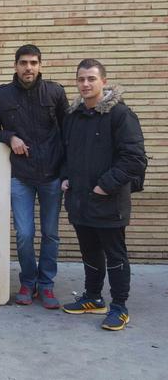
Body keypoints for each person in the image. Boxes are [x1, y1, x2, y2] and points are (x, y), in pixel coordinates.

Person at [61, 59, 146, 331]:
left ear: (104, 81)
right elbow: (67, 152)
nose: (85, 84)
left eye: (91, 79)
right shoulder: (73, 116)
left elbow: (134, 159)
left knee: (115, 255)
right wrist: (66, 177)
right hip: (79, 200)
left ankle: (119, 307)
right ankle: (93, 297)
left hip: (109, 201)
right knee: (89, 251)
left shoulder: (120, 115)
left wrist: (104, 186)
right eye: (81, 79)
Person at [0, 44, 68, 308]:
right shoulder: (2, 95)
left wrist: (66, 172)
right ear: (15, 65)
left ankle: (47, 285)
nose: (28, 68)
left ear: (40, 65)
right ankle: (28, 282)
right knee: (24, 234)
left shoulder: (55, 92)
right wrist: (10, 137)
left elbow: (68, 134)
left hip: (52, 175)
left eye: (33, 62)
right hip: (20, 175)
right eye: (23, 63)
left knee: (51, 234)